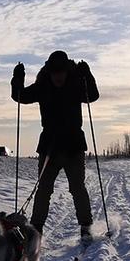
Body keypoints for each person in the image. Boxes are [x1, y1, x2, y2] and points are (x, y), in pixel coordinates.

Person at [11, 50, 99, 241]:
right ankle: (36, 231)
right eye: (54, 72)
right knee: (43, 189)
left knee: (77, 188)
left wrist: (87, 75)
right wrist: (17, 79)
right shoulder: (43, 86)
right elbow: (20, 96)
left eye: (61, 72)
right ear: (49, 72)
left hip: (73, 145)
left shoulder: (76, 85)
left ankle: (86, 227)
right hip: (49, 146)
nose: (58, 76)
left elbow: (92, 95)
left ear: (67, 71)